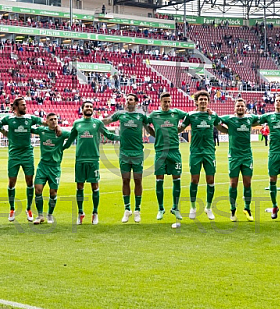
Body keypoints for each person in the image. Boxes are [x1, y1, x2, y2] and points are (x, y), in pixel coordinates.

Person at [63, 100, 119, 224]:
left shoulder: (98, 123)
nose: (89, 108)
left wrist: (123, 138)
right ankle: (80, 212)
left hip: (93, 159)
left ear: (93, 109)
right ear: (82, 109)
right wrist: (60, 148)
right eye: (86, 106)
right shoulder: (77, 123)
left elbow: (109, 135)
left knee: (95, 186)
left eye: (90, 107)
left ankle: (95, 212)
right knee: (79, 186)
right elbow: (70, 140)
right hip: (80, 159)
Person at [103, 93, 148, 223]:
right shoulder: (120, 114)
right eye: (127, 99)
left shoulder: (141, 116)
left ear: (136, 102)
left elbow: (150, 125)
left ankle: (137, 210)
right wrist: (92, 121)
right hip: (124, 153)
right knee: (125, 180)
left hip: (138, 152)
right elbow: (108, 120)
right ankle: (127, 209)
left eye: (131, 100)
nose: (128, 101)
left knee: (138, 181)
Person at [146, 92, 188, 228]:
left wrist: (181, 128)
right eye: (165, 102)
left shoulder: (176, 113)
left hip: (174, 151)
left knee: (177, 179)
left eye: (169, 101)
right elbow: (145, 123)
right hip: (160, 151)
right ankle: (160, 208)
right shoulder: (154, 115)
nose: (167, 104)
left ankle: (175, 207)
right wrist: (153, 133)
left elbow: (189, 117)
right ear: (160, 102)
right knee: (159, 180)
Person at [179, 90, 222, 221]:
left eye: (205, 99)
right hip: (196, 152)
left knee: (210, 181)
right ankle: (193, 207)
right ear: (196, 101)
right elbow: (181, 128)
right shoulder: (191, 115)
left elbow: (222, 125)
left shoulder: (213, 115)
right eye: (200, 99)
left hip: (209, 152)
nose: (203, 101)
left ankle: (208, 208)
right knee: (194, 180)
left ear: (208, 101)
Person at [0, 97, 43, 222]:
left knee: (30, 182)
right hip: (14, 155)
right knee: (12, 182)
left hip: (27, 154)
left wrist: (55, 126)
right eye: (23, 105)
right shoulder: (9, 119)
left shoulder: (30, 118)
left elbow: (43, 122)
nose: (25, 106)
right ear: (15, 107)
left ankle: (28, 209)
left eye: (25, 104)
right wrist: (5, 132)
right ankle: (12, 209)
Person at [218, 98, 261, 221]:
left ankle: (247, 208)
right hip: (234, 157)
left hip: (247, 156)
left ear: (245, 108)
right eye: (238, 106)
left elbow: (262, 119)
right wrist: (226, 130)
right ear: (234, 108)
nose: (240, 108)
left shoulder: (250, 119)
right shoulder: (229, 119)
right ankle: (232, 210)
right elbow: (217, 121)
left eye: (242, 106)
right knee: (233, 184)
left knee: (248, 183)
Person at [31, 114, 69, 224]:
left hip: (55, 167)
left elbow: (73, 135)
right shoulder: (42, 131)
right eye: (51, 119)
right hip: (43, 166)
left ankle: (50, 214)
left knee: (53, 193)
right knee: (37, 190)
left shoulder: (62, 133)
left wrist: (65, 147)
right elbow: (30, 128)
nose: (53, 121)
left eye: (55, 119)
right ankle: (39, 215)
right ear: (47, 121)